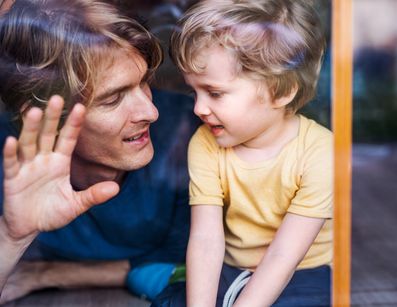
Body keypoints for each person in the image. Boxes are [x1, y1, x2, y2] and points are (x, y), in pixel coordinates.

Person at [0, 0, 199, 304]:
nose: (150, 111)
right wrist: (12, 238)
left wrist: (50, 274)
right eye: (113, 100)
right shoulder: (11, 161)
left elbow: (197, 259)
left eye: (144, 82)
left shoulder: (188, 129)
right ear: (46, 120)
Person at [154, 0, 333, 306]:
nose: (198, 108)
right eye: (193, 91)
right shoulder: (206, 142)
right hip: (233, 267)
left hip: (305, 270)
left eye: (215, 93)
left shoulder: (321, 152)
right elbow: (206, 240)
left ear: (280, 91)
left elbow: (283, 256)